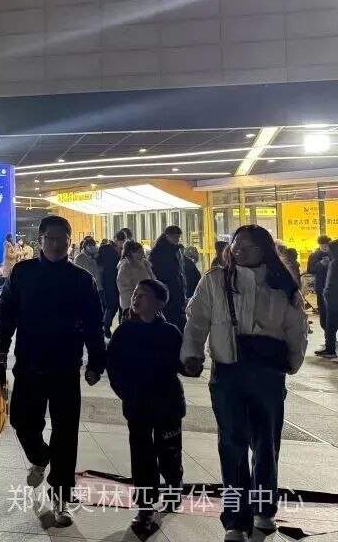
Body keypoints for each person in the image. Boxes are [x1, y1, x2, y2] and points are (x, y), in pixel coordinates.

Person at [182, 225, 307, 542]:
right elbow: (197, 319)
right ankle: (235, 520)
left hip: (268, 373)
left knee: (266, 442)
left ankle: (264, 509)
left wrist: (294, 360)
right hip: (228, 371)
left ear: (264, 250)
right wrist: (192, 353)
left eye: (248, 246)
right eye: (236, 244)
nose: (239, 250)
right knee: (232, 443)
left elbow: (296, 326)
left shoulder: (282, 285)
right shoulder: (215, 280)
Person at [0, 215, 105, 527]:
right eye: (50, 239)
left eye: (61, 239)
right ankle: (41, 456)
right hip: (29, 362)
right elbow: (7, 312)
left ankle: (61, 496)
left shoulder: (82, 280)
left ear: (69, 241)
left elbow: (94, 324)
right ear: (40, 240)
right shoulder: (23, 273)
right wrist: (1, 348)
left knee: (66, 432)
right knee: (22, 421)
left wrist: (96, 362)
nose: (55, 245)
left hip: (65, 365)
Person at [106, 279, 185, 535]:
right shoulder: (124, 332)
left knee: (169, 451)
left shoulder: (170, 332)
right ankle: (145, 506)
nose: (136, 298)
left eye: (143, 295)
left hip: (168, 403)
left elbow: (182, 364)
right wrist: (125, 392)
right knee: (141, 455)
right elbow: (113, 365)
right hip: (137, 403)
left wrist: (193, 365)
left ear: (159, 303)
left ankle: (173, 483)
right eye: (135, 294)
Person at [149, 226, 188, 331]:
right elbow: (158, 271)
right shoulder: (159, 251)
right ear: (167, 236)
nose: (177, 239)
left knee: (177, 315)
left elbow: (180, 270)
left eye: (178, 237)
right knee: (170, 315)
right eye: (175, 237)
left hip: (176, 288)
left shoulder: (176, 249)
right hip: (166, 287)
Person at [118, 241, 155, 317]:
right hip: (133, 304)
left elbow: (152, 278)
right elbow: (124, 287)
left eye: (142, 251)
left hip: (147, 302)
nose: (142, 254)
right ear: (131, 253)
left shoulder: (145, 263)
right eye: (139, 252)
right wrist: (136, 300)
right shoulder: (126, 266)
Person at [320, 254, 338, 358]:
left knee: (330, 325)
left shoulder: (334, 263)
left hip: (333, 300)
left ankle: (330, 350)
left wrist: (326, 293)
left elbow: (331, 283)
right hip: (333, 298)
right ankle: (330, 349)